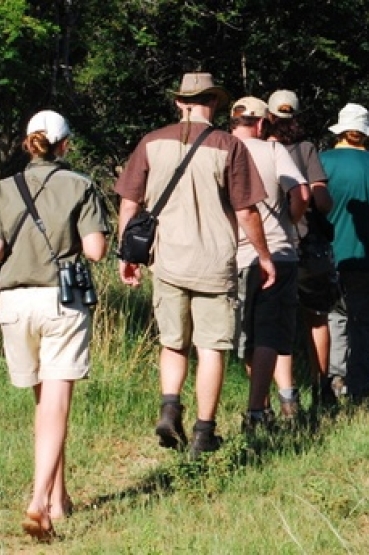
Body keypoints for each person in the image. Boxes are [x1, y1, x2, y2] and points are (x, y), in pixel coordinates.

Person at [115, 73, 275, 459]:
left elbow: (129, 203)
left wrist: (128, 254)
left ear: (178, 102)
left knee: (173, 342)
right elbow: (246, 210)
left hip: (167, 260)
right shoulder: (228, 145)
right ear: (215, 104)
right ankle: (204, 433)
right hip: (214, 263)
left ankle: (170, 407)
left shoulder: (151, 142)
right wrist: (265, 257)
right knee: (211, 348)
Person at [0, 110, 109, 540]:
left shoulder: (4, 189)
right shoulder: (80, 185)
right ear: (65, 145)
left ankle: (59, 499)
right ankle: (38, 501)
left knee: (44, 406)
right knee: (58, 405)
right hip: (61, 302)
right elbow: (96, 250)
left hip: (12, 302)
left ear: (29, 142)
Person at [229, 95, 309, 429]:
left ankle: (258, 403)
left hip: (231, 256)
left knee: (245, 335)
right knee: (269, 334)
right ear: (262, 123)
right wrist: (291, 223)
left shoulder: (219, 150)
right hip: (275, 252)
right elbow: (301, 194)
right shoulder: (273, 151)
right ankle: (257, 411)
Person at [319, 103, 369, 401]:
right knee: (365, 322)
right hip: (368, 256)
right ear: (364, 134)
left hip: (330, 256)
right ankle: (361, 385)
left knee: (334, 318)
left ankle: (334, 379)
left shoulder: (322, 162)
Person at [266, 89, 335, 407]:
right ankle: (323, 386)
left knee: (277, 321)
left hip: (268, 246)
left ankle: (286, 394)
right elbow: (320, 200)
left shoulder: (259, 148)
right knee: (316, 318)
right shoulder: (306, 149)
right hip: (305, 244)